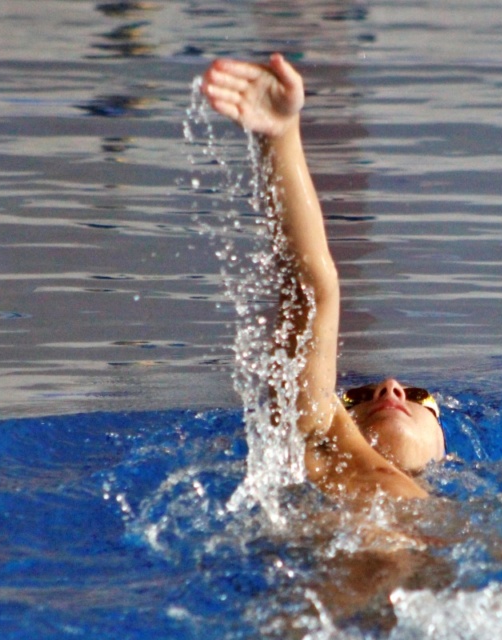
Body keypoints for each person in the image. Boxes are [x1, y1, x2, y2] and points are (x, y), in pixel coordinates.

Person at [201, 54, 446, 501]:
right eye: (356, 399)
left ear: (448, 453)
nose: (389, 388)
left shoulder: (478, 524)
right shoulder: (324, 447)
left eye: (416, 395)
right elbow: (311, 289)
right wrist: (280, 136)